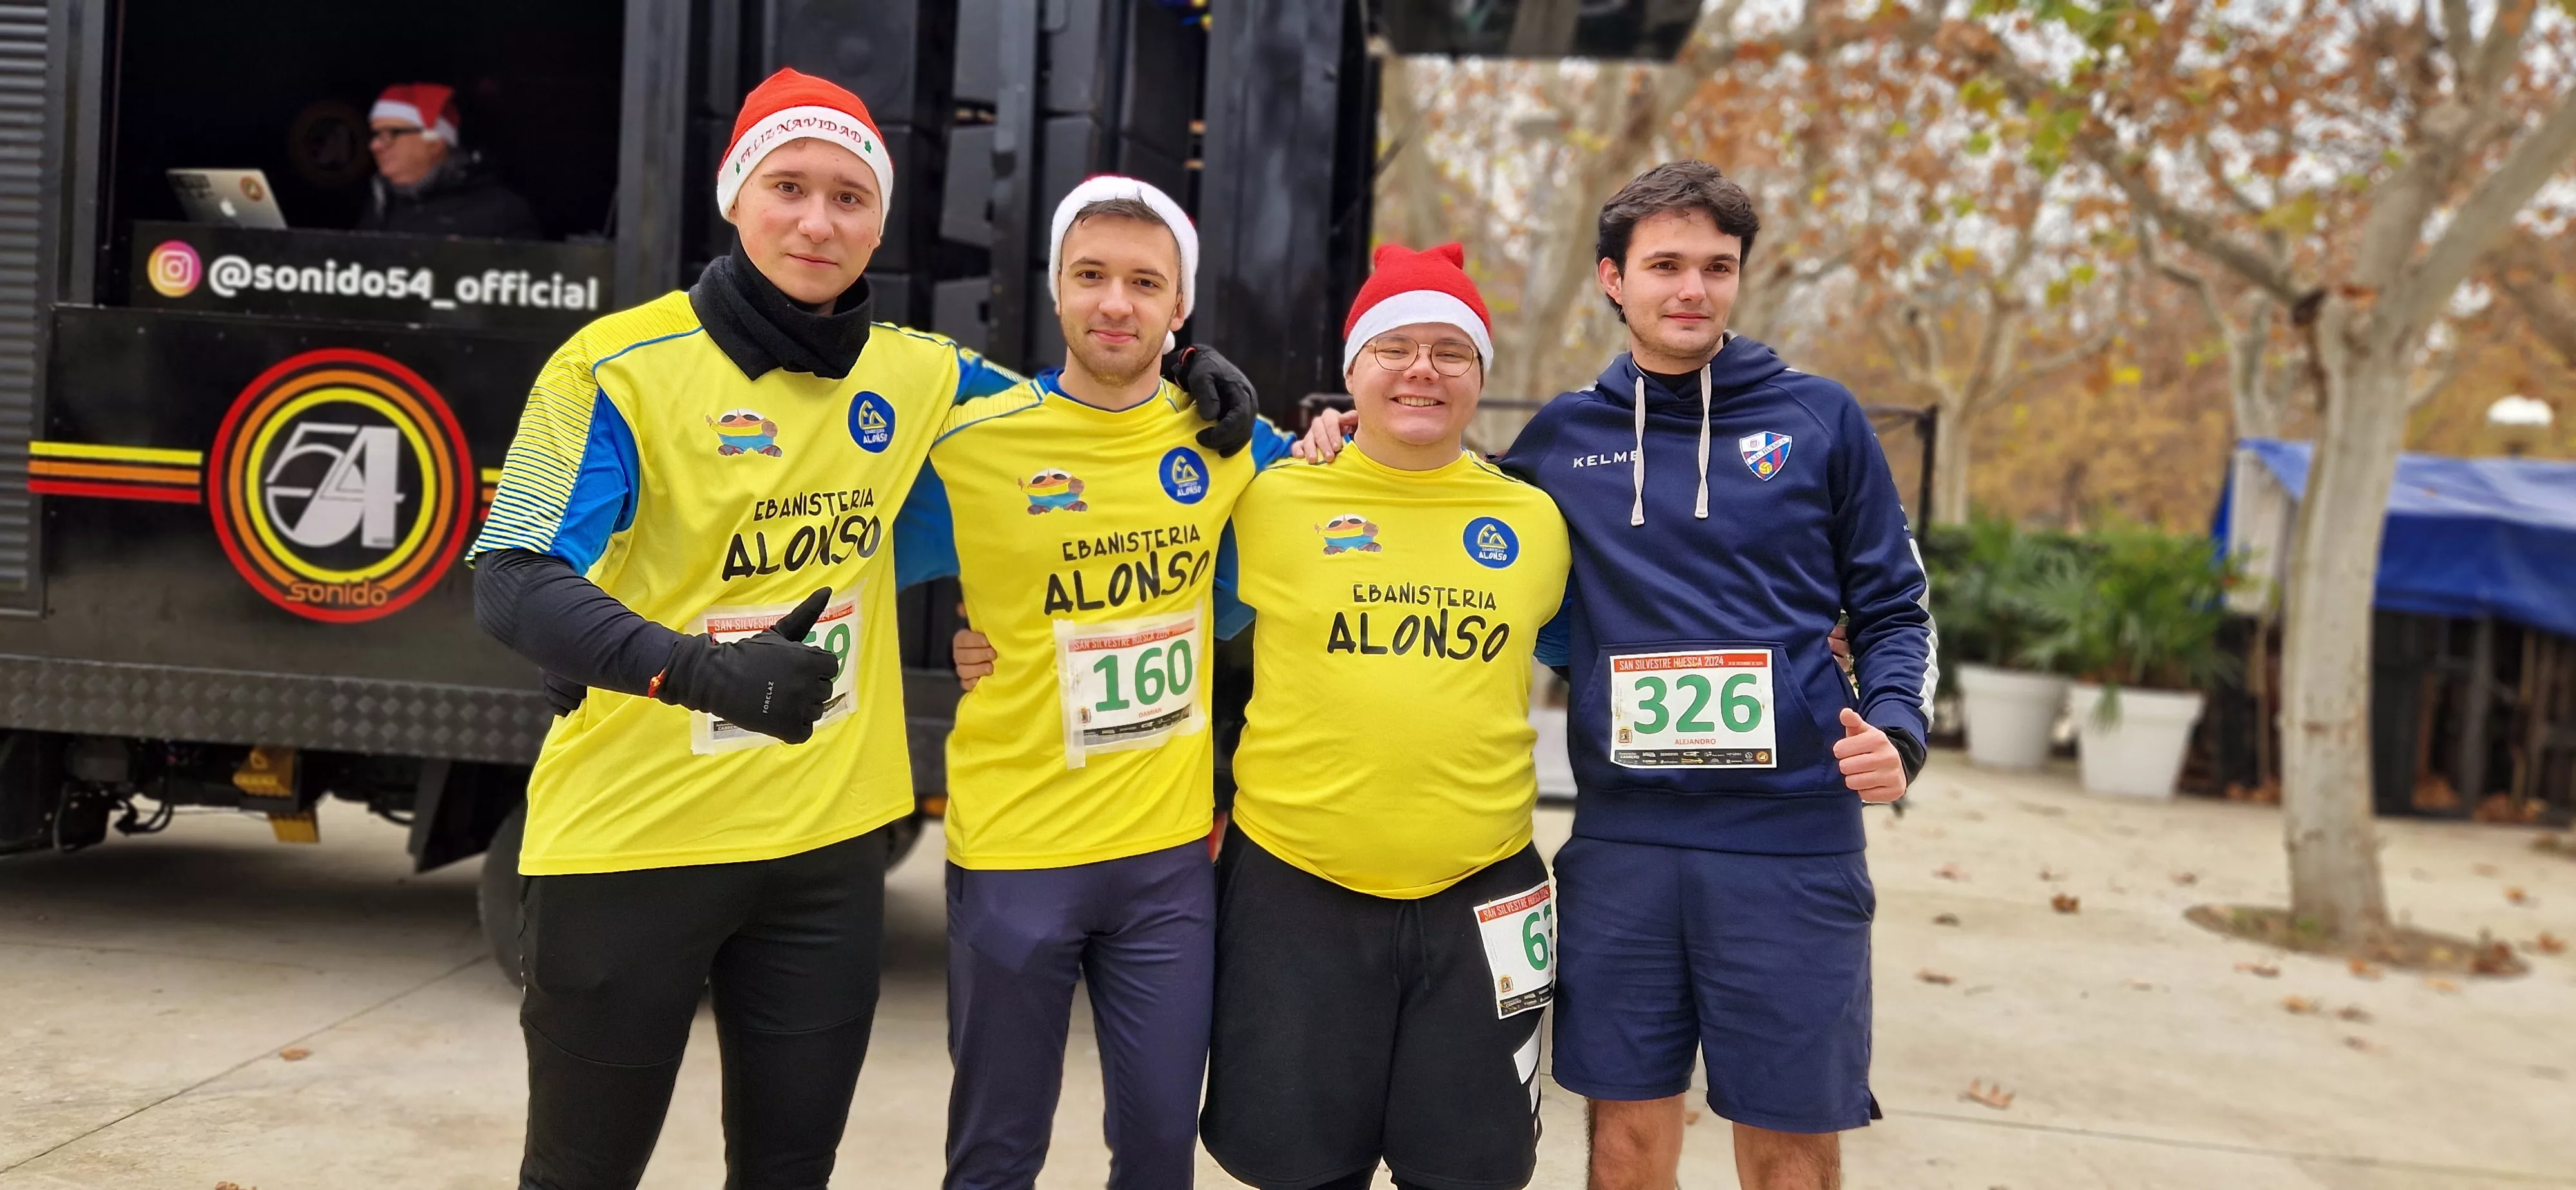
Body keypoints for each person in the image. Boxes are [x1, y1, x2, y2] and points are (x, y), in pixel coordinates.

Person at [467, 70, 1258, 1190]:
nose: (816, 220)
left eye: (849, 196)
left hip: (827, 853)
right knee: (580, 1172)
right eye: (788, 186)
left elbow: (1084, 402)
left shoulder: (921, 374)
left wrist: (1191, 362)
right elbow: (509, 576)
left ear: (879, 222)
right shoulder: (609, 367)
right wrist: (696, 670)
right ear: (735, 196)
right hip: (633, 843)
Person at [1302, 163, 1933, 1190]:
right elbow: (1445, 512)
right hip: (1624, 847)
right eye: (1666, 265)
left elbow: (1898, 606)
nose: (1692, 289)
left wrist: (1897, 729)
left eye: (1716, 268)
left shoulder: (1822, 422)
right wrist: (1337, 440)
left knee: (1787, 1149)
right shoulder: (1561, 441)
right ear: (1613, 278)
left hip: (1791, 849)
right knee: (1626, 1145)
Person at [889, 175, 1294, 1189]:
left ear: (1179, 308)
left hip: (1164, 862)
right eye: (1093, 277)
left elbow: (1339, 491)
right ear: (1059, 292)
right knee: (996, 1150)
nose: (1117, 303)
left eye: (1145, 282)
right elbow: (846, 547)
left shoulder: (1234, 446)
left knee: (1160, 1148)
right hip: (1016, 849)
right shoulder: (975, 446)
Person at [1200, 242, 1571, 1190]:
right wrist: (987, 639)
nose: (1421, 369)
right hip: (1296, 887)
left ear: (1481, 376)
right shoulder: (1270, 498)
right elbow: (1153, 601)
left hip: (1481, 890)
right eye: (1394, 346)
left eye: (1451, 352)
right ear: (1351, 369)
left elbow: (1621, 642)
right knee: (1295, 1170)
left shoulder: (1535, 521)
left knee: (1470, 1173)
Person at [360, 82, 542, 240]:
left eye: (389, 135)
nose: (375, 146)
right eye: (375, 135)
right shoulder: (380, 208)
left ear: (435, 144)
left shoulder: (500, 213)